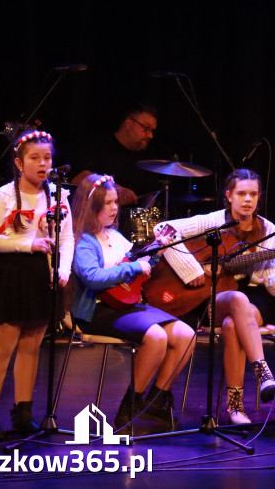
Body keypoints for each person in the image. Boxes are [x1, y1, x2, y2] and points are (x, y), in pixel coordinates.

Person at [155, 169, 275, 424]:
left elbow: (273, 286)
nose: (247, 200)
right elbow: (163, 229)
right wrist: (192, 270)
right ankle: (262, 372)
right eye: (241, 193)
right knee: (238, 301)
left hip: (252, 297)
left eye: (253, 194)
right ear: (229, 196)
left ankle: (236, 406)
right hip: (207, 296)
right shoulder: (214, 221)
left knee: (232, 323)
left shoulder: (268, 230)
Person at [70, 174, 195, 431]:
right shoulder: (83, 241)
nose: (114, 208)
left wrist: (155, 255)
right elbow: (92, 278)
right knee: (157, 337)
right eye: (107, 203)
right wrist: (134, 268)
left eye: (115, 202)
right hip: (97, 310)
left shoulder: (112, 235)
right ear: (91, 206)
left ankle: (157, 402)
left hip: (125, 304)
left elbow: (134, 269)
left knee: (186, 334)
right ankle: (130, 406)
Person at [0, 130, 74, 439]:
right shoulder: (4, 195)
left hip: (42, 275)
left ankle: (23, 411)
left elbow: (68, 237)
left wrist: (64, 269)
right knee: (4, 345)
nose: (42, 164)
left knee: (32, 345)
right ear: (20, 163)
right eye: (35, 158)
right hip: (13, 273)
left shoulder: (58, 195)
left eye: (47, 158)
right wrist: (27, 245)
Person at [74, 103, 160, 208]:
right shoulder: (99, 146)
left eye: (152, 131)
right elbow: (79, 178)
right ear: (129, 123)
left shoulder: (149, 156)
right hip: (95, 215)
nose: (150, 136)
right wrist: (114, 189)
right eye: (146, 129)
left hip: (132, 221)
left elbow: (152, 195)